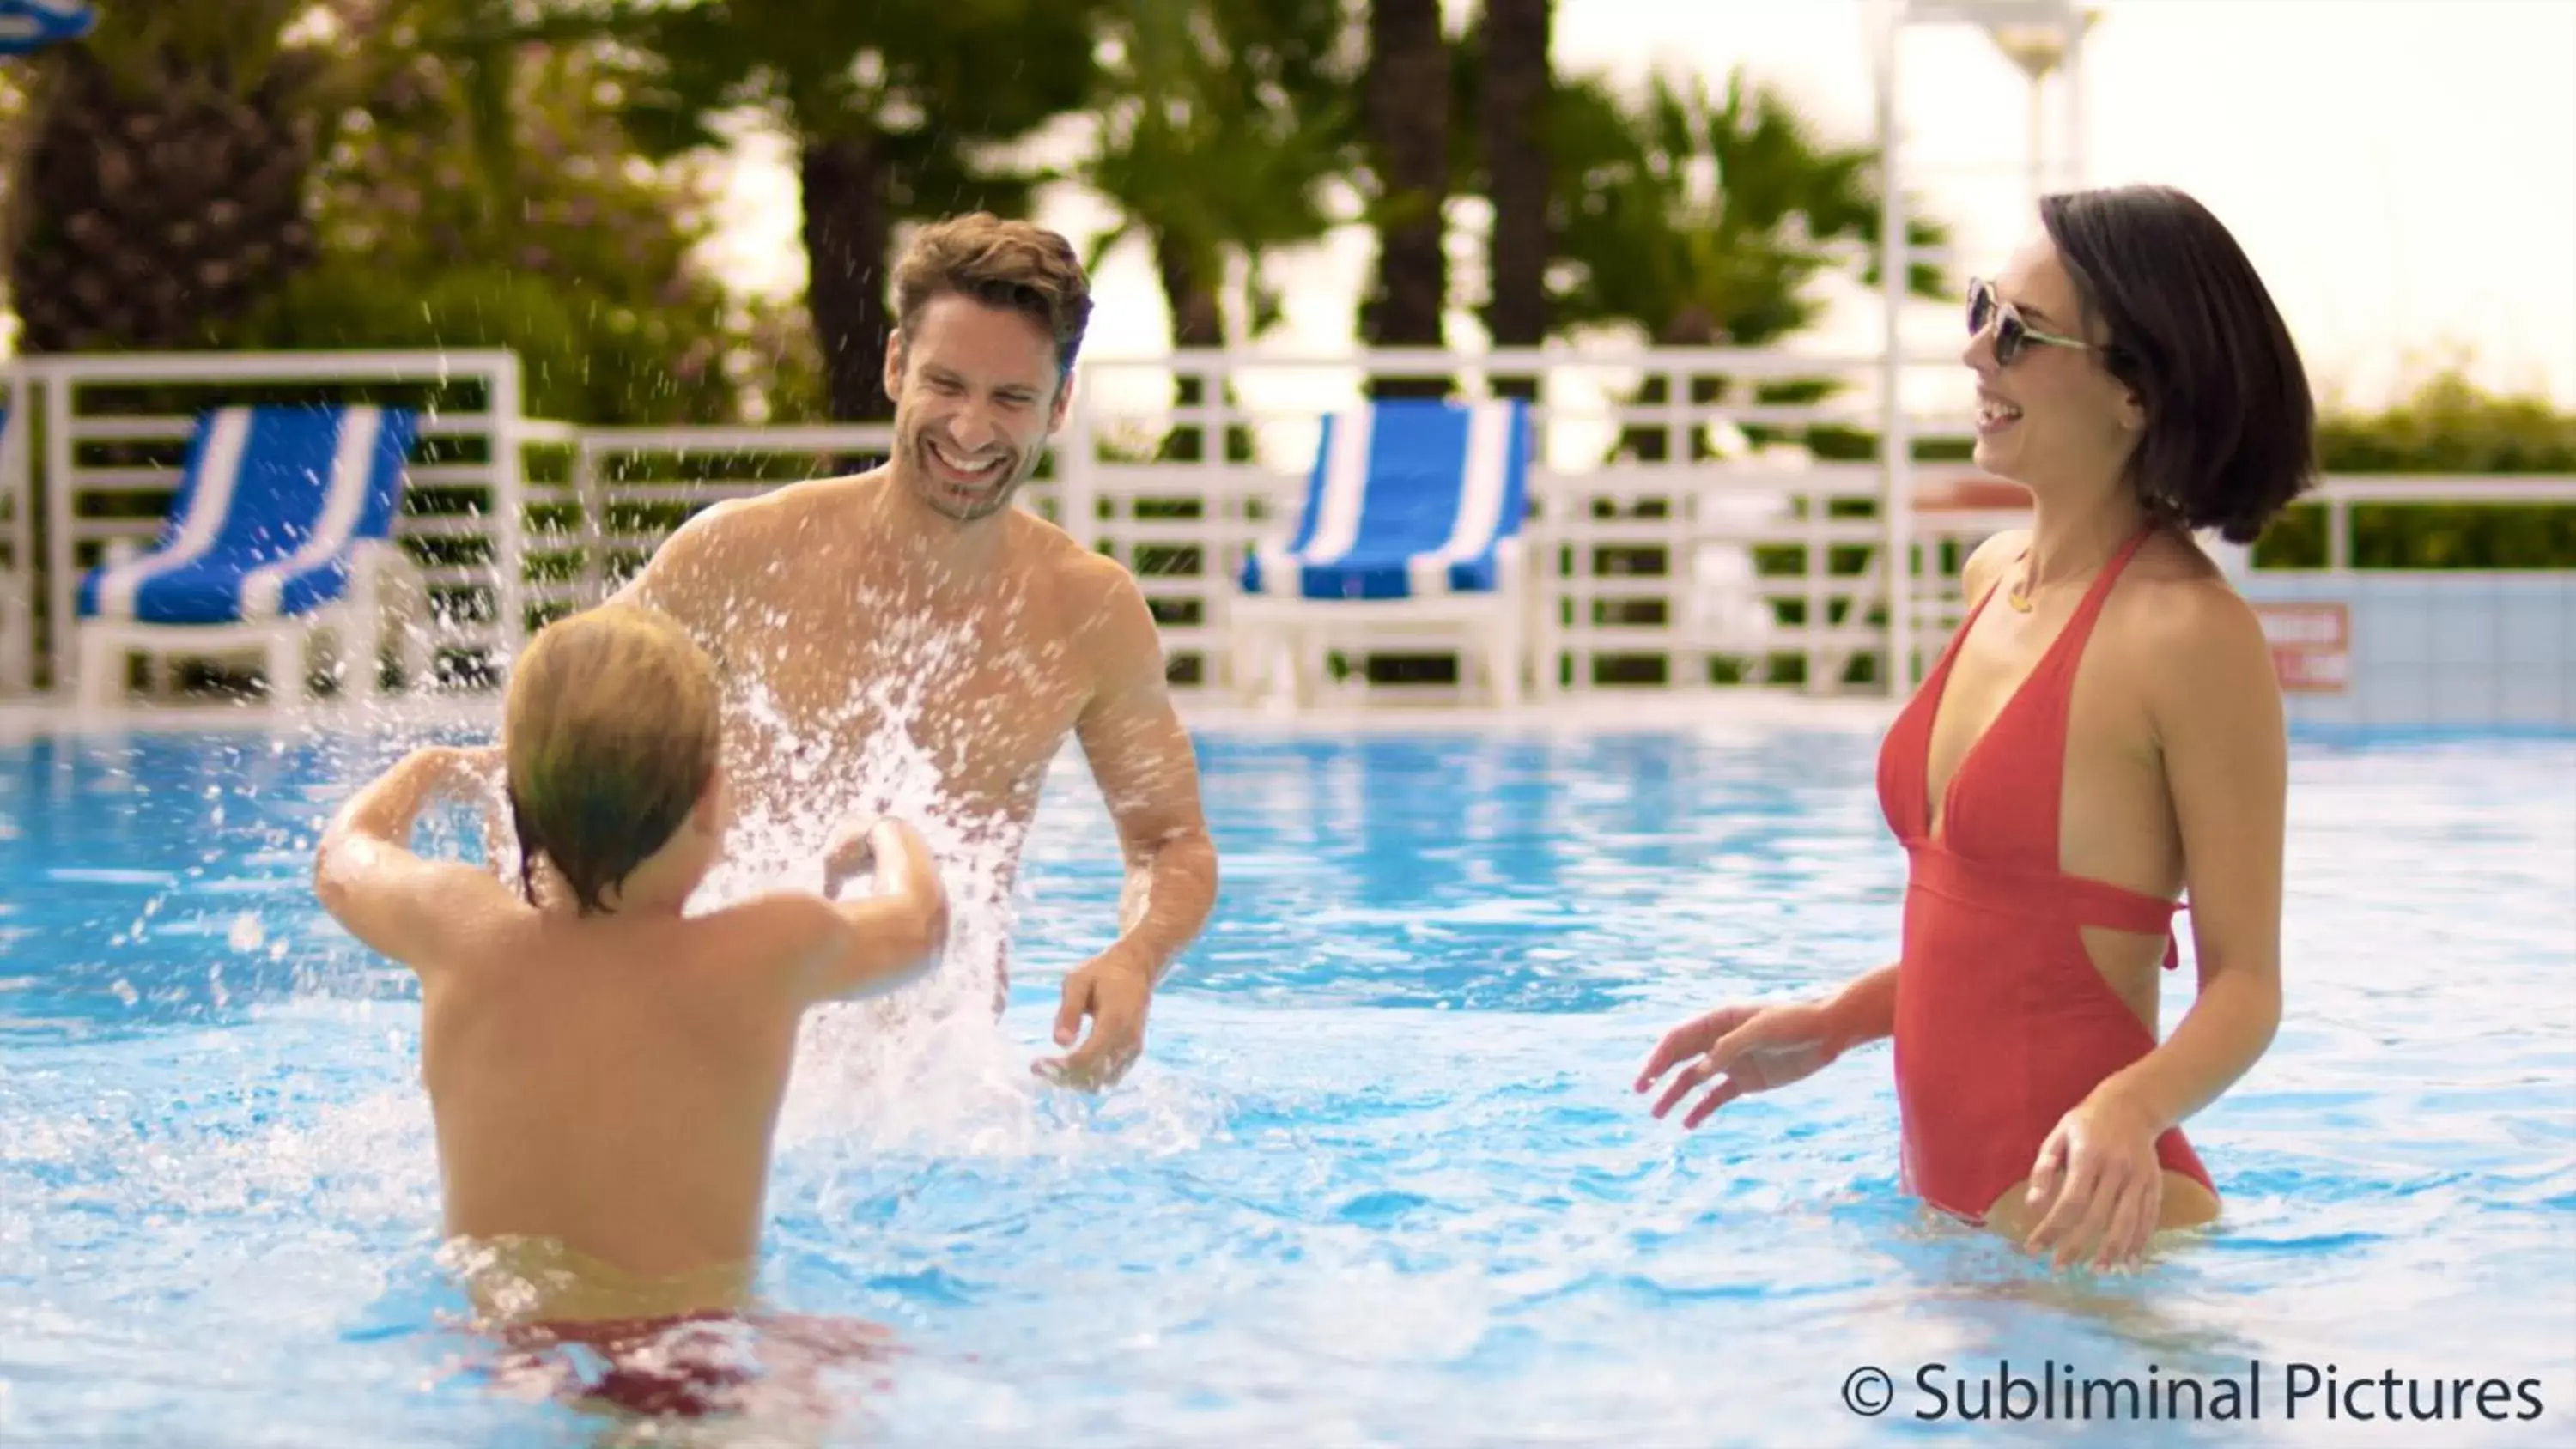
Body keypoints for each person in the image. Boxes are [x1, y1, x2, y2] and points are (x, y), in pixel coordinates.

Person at [1637, 184, 2310, 1272]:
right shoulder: (1990, 576)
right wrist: (1837, 1018)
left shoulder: (2193, 637)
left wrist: (2125, 1113)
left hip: (2087, 1230)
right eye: (1978, 308)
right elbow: (2005, 940)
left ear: (2135, 389)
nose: (1974, 356)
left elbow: (2246, 985)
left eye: (2017, 332)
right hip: (1954, 1218)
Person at [611, 210, 1218, 1089]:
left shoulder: (1087, 611)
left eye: (1012, 398)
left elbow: (1171, 840)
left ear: (1060, 403)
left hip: (935, 1089)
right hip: (704, 1058)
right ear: (896, 365)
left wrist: (1137, 955)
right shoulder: (740, 553)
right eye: (948, 384)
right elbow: (557, 736)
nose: (973, 429)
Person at [312, 603, 947, 1415]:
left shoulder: (457, 927)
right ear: (711, 801)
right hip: (698, 1357)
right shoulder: (772, 949)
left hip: (498, 1353)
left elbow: (342, 856)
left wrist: (428, 767)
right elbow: (923, 926)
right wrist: (886, 832)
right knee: (866, 1358)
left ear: (518, 798)